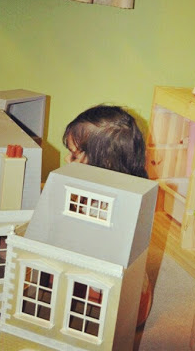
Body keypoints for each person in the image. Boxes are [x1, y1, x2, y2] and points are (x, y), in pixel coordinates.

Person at [63, 104, 152, 327]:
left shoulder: (103, 209)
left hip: (117, 299)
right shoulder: (131, 186)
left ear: (105, 163)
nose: (66, 159)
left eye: (74, 155)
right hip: (132, 289)